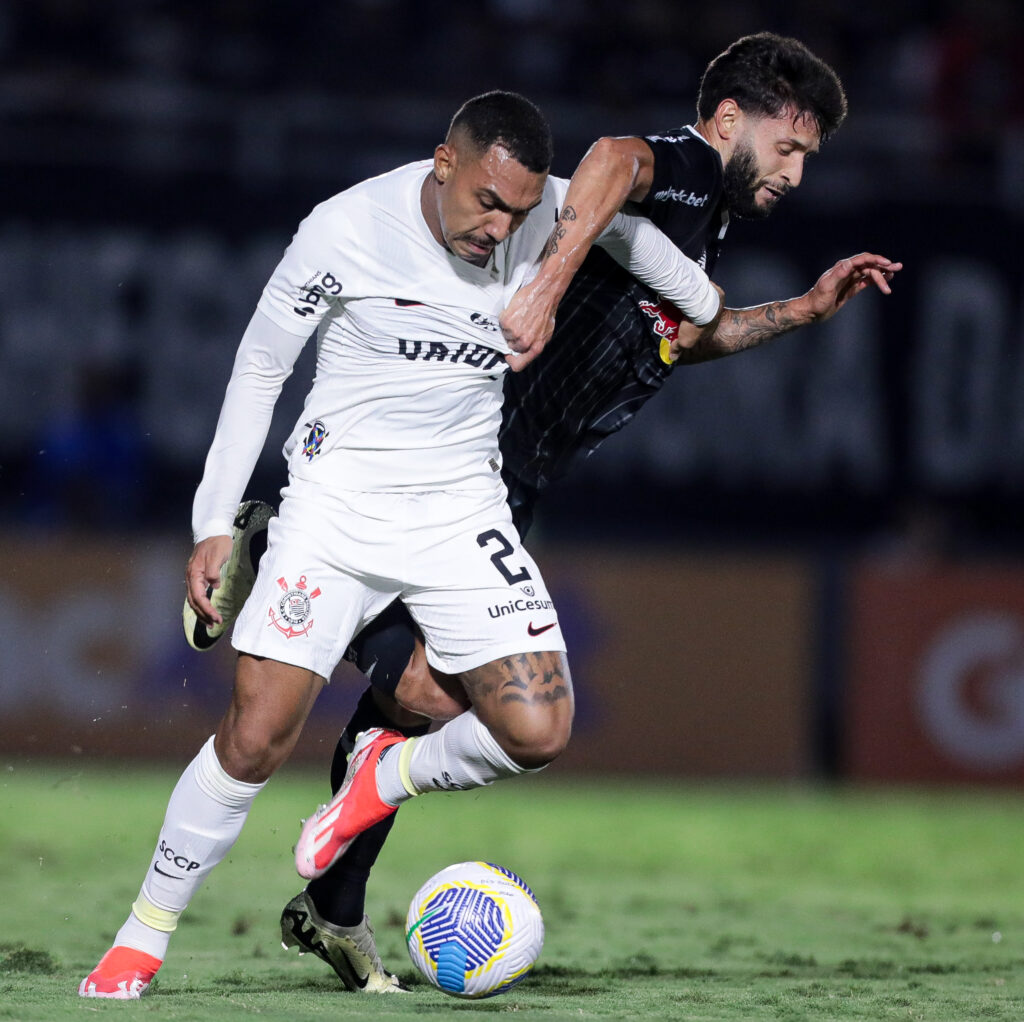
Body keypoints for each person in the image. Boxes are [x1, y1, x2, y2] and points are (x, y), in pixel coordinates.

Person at [211, 33, 898, 991]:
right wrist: (543, 281)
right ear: (732, 122)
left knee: (404, 717)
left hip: (514, 481)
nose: (795, 172)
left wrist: (796, 313)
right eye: (788, 148)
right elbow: (612, 157)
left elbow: (680, 335)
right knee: (420, 701)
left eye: (807, 160)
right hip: (447, 468)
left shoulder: (706, 230)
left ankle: (330, 909)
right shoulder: (687, 173)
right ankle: (277, 540)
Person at [79, 89, 723, 999]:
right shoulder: (345, 228)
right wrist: (212, 522)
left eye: (521, 208)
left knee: (538, 731)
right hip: (334, 511)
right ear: (443, 163)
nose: (501, 227)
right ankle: (141, 937)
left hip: (462, 511)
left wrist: (700, 295)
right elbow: (263, 366)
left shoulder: (548, 213)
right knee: (256, 739)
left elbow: (678, 277)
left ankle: (386, 773)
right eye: (486, 203)